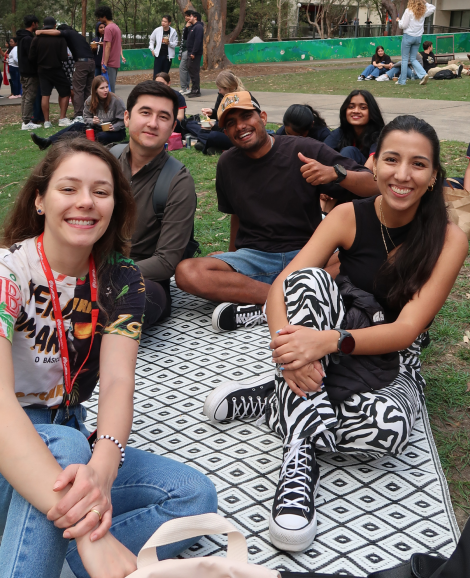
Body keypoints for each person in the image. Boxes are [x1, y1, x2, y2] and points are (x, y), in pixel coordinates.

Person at [202, 115, 468, 552]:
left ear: (435, 175)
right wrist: (290, 355)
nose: (402, 175)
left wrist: (328, 342)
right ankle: (299, 456)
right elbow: (281, 290)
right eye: (392, 160)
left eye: (418, 164)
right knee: (306, 283)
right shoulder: (347, 215)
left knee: (391, 429)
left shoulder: (449, 238)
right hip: (325, 329)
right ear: (374, 164)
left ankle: (275, 399)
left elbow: (406, 330)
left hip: (387, 353)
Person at [0, 137, 217, 578]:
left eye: (101, 192)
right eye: (69, 189)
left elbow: (118, 381)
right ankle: (79, 546)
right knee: (66, 445)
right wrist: (86, 526)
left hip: (71, 429)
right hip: (11, 438)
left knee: (193, 494)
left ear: (116, 205)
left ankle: (53, 548)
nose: (86, 202)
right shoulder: (8, 272)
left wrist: (102, 467)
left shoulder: (122, 279)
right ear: (39, 199)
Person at [175, 91, 379, 333]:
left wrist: (336, 173)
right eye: (230, 123)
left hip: (309, 255)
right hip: (256, 257)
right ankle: (293, 300)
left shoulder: (303, 149)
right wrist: (232, 260)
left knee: (371, 255)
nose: (240, 126)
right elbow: (236, 215)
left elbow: (373, 186)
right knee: (188, 272)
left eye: (245, 117)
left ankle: (266, 305)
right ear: (226, 132)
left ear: (262, 117)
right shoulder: (227, 164)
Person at [118, 81, 197, 328]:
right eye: (145, 113)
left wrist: (104, 277)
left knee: (134, 299)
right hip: (85, 266)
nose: (153, 123)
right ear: (127, 117)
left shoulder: (177, 182)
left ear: (172, 127)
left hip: (143, 278)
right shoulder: (105, 162)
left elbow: (165, 262)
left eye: (163, 117)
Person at [30, 75, 126, 150]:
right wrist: (92, 121)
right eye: (102, 88)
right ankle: (47, 141)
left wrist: (114, 127)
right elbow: (86, 117)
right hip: (97, 127)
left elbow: (124, 120)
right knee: (77, 125)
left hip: (115, 131)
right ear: (95, 90)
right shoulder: (90, 100)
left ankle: (71, 139)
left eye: (106, 87)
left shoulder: (116, 101)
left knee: (100, 136)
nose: (105, 90)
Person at [36, 24, 96, 123]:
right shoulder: (78, 36)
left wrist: (41, 32)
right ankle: (88, 113)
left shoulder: (69, 33)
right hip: (91, 62)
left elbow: (57, 32)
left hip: (81, 63)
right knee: (87, 90)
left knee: (78, 89)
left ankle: (79, 115)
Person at [185, 69, 244, 155]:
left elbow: (232, 125)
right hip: (222, 130)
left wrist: (215, 126)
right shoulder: (221, 95)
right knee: (199, 130)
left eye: (220, 89)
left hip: (235, 135)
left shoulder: (238, 99)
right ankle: (215, 146)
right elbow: (219, 115)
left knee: (213, 136)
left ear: (227, 88)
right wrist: (212, 112)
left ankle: (216, 146)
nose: (219, 92)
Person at [29, 16, 71, 129]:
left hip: (42, 70)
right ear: (54, 25)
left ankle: (47, 121)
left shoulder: (36, 38)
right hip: (56, 68)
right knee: (65, 91)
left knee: (45, 94)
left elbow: (31, 57)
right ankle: (62, 118)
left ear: (43, 26)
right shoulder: (60, 38)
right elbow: (64, 57)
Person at [324, 89, 384, 169]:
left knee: (349, 151)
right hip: (342, 175)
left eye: (363, 107)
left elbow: (372, 164)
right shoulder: (340, 132)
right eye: (351, 107)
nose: (356, 111)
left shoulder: (380, 135)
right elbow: (321, 153)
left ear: (372, 112)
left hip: (369, 177)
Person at [396, 0, 436, 86]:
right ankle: (423, 74)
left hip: (408, 36)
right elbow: (433, 8)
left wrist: (399, 21)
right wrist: (425, 2)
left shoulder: (408, 11)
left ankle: (402, 81)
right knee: (413, 59)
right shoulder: (423, 11)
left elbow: (403, 25)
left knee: (405, 59)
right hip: (418, 38)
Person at [17, 14, 41, 130]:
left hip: (23, 71)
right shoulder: (28, 39)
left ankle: (25, 119)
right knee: (29, 96)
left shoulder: (22, 37)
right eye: (37, 24)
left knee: (25, 95)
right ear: (33, 24)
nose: (38, 26)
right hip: (30, 72)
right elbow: (32, 56)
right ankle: (26, 122)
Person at [95, 5, 122, 93]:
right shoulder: (116, 27)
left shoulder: (108, 28)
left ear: (104, 16)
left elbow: (108, 46)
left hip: (109, 63)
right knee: (110, 87)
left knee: (108, 89)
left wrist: (105, 64)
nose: (99, 19)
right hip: (115, 62)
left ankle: (111, 106)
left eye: (100, 16)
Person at [149, 15, 178, 80]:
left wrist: (169, 43)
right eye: (162, 21)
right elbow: (151, 40)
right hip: (158, 55)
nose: (163, 23)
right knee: (156, 75)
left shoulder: (173, 31)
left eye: (165, 21)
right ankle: (155, 89)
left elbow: (175, 43)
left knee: (164, 75)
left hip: (168, 56)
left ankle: (163, 89)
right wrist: (152, 49)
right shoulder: (157, 30)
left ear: (169, 23)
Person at [186, 11, 204, 98]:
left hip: (195, 53)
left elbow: (198, 41)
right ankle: (194, 89)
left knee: (194, 71)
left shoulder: (199, 27)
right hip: (190, 52)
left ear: (195, 17)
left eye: (191, 16)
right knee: (191, 70)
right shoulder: (193, 27)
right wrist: (187, 27)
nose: (189, 18)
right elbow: (186, 38)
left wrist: (193, 52)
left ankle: (196, 90)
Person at [178, 11, 192, 95]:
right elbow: (183, 40)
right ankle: (186, 87)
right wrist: (180, 53)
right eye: (185, 16)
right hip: (183, 51)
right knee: (185, 69)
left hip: (188, 50)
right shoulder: (186, 26)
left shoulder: (192, 27)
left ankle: (184, 87)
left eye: (187, 16)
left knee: (182, 68)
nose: (186, 18)